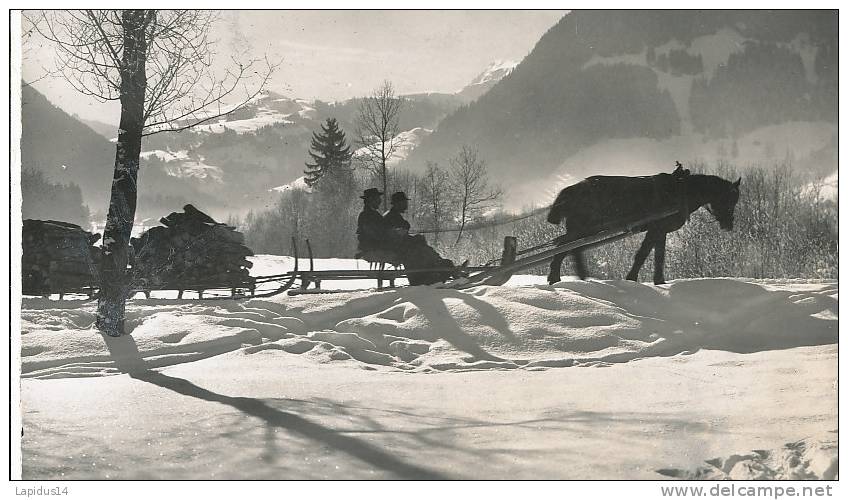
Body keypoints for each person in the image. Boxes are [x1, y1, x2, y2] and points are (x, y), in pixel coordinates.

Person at [383, 191, 466, 285]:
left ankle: (447, 268)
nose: (406, 204)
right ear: (398, 203)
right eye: (404, 202)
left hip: (402, 247)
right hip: (400, 249)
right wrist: (416, 239)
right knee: (424, 250)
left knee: (425, 248)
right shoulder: (392, 216)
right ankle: (446, 270)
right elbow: (397, 236)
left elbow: (401, 233)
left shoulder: (393, 215)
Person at [356, 188, 390, 256]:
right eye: (377, 199)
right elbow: (372, 233)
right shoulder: (365, 215)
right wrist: (389, 235)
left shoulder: (374, 213)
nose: (380, 201)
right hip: (374, 246)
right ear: (371, 200)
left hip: (377, 244)